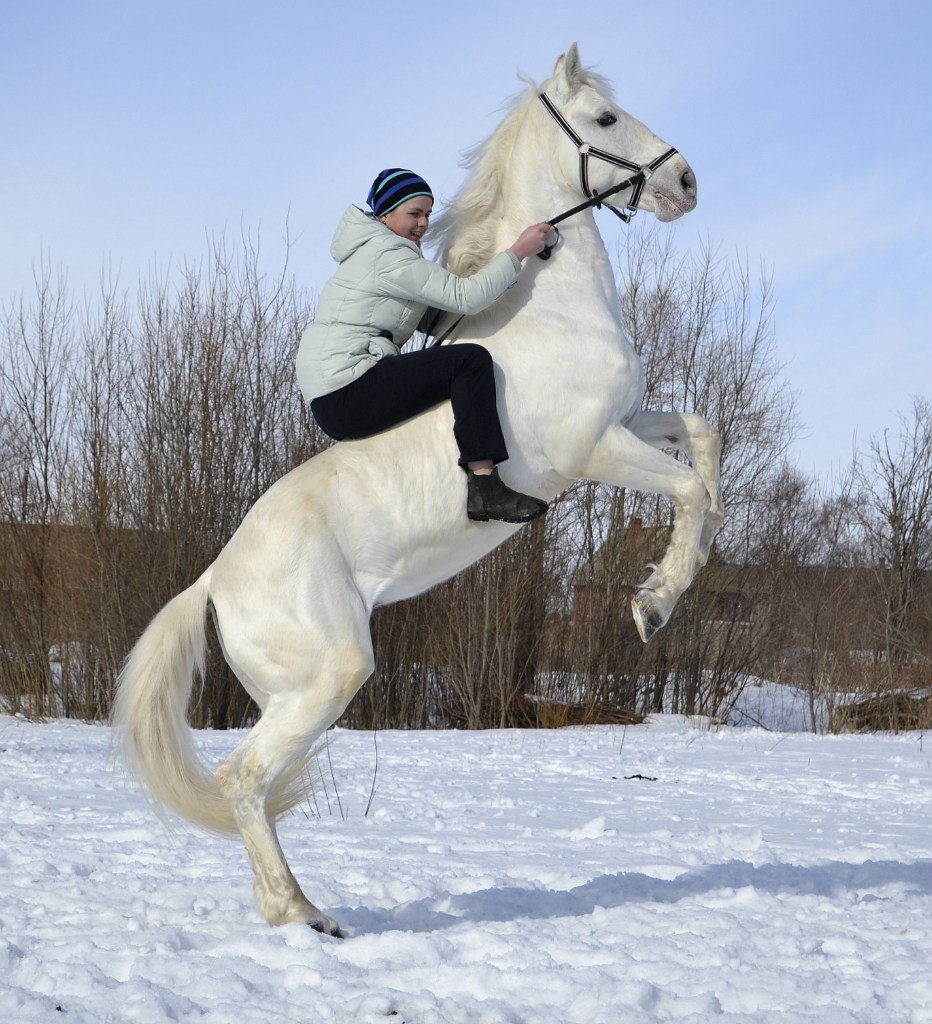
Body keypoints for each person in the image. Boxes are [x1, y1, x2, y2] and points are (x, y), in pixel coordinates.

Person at [296, 168, 552, 524]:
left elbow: (433, 321)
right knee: (469, 361)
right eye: (414, 213)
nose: (423, 224)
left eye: (428, 214)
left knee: (456, 362)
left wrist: (498, 280)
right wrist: (518, 252)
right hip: (347, 387)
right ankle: (485, 486)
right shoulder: (389, 255)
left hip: (337, 390)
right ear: (385, 214)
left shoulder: (381, 252)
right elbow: (465, 297)